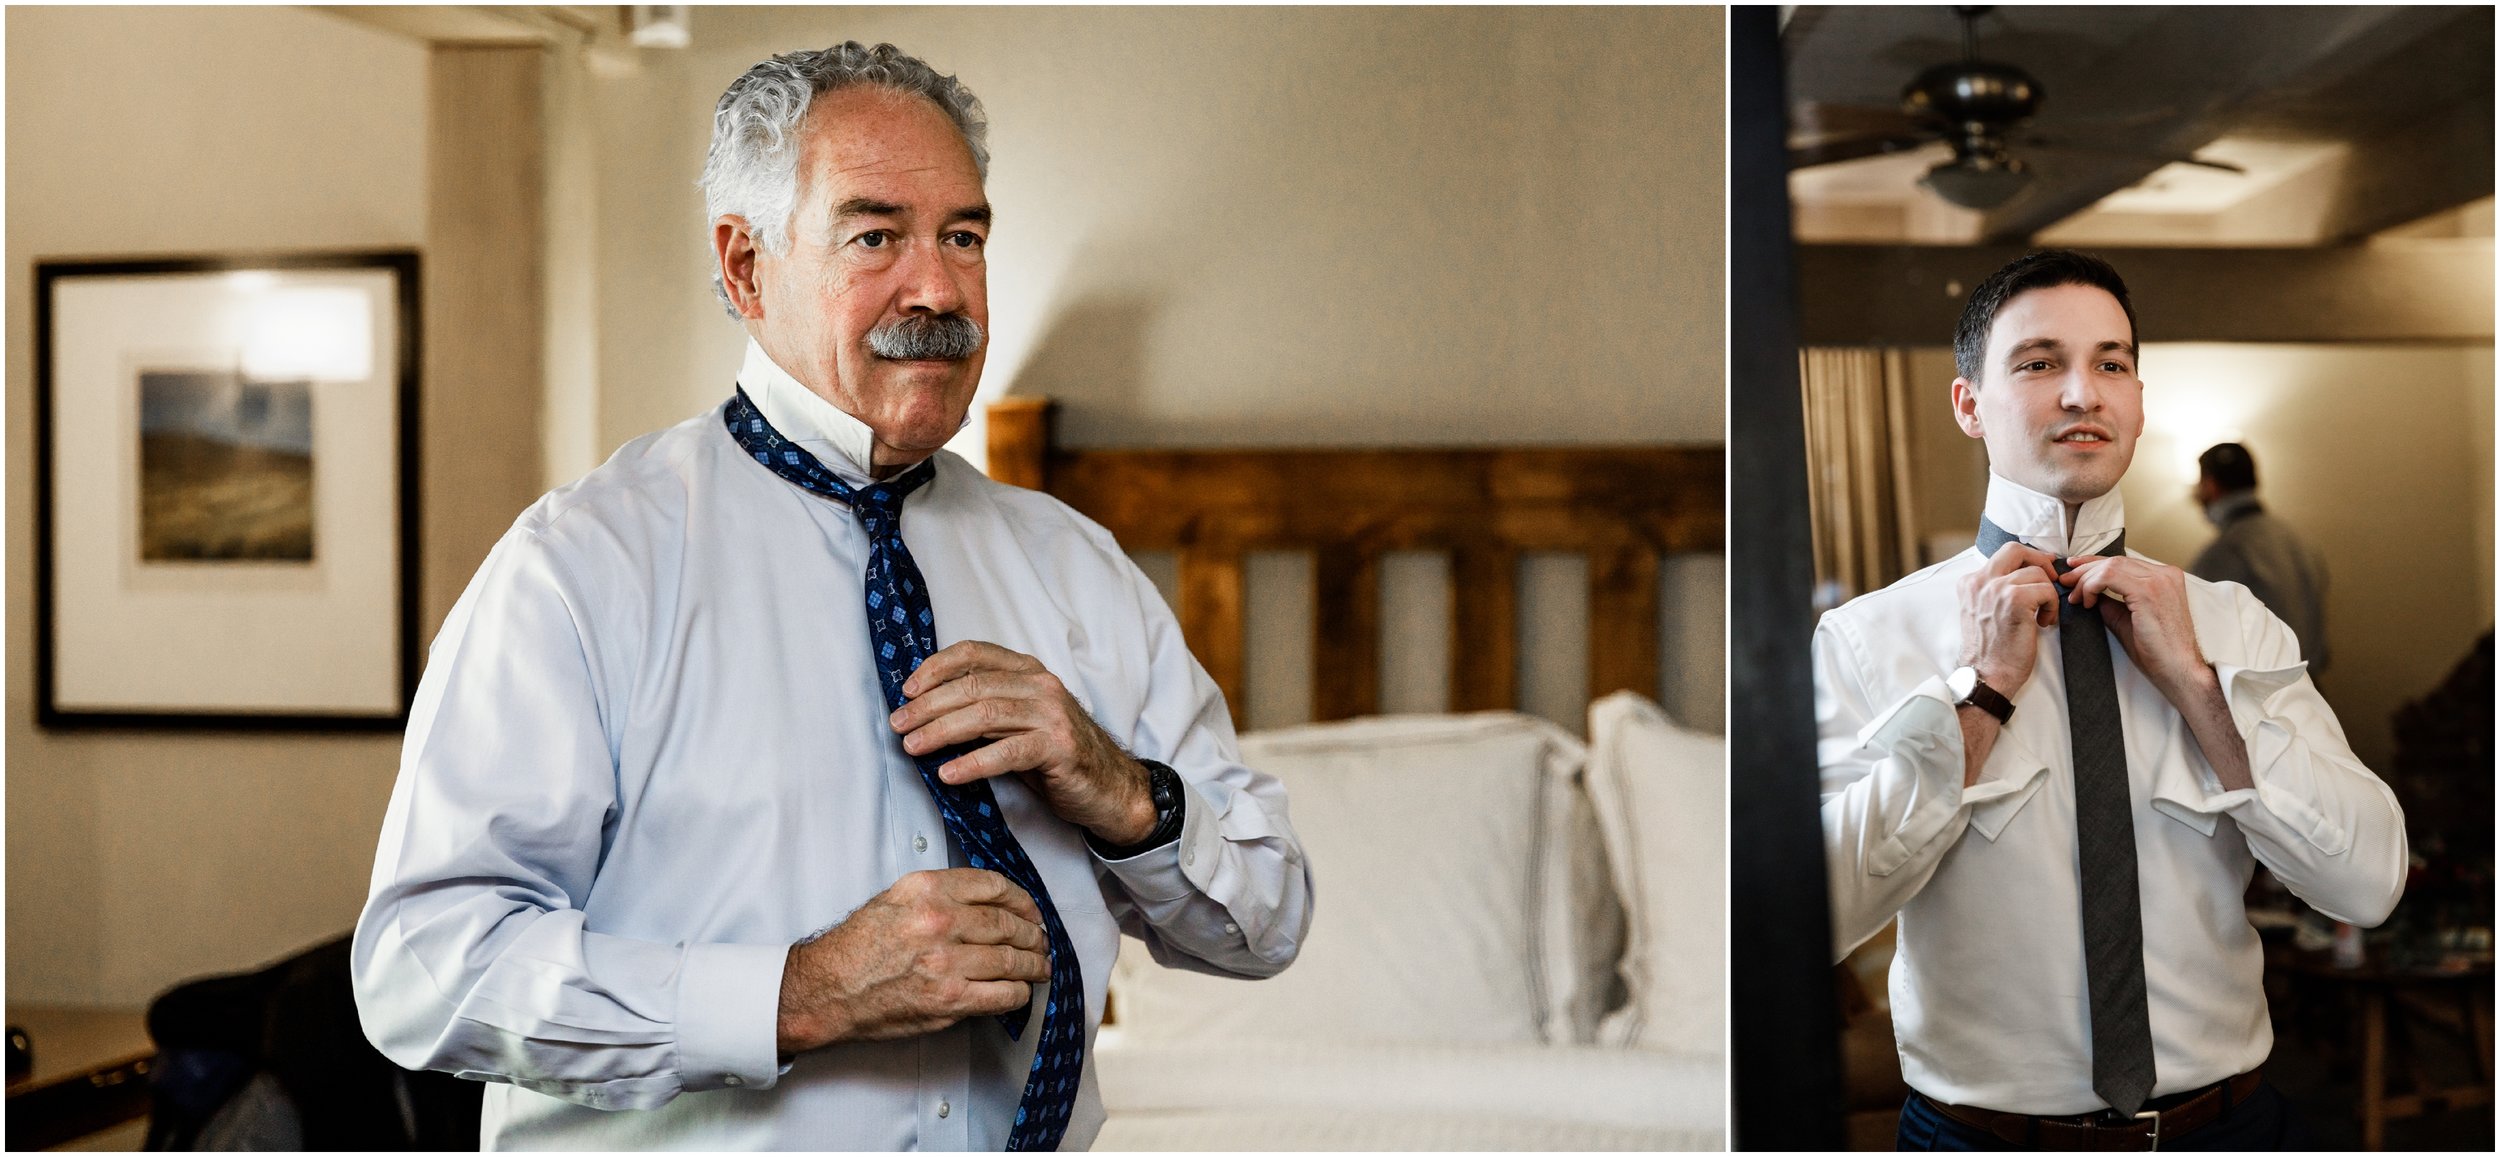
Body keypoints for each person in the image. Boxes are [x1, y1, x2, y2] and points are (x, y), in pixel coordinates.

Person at [351, 43, 1313, 1150]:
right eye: (875, 236)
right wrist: (800, 991)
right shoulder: (582, 568)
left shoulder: (1076, 569)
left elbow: (1268, 921)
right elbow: (424, 969)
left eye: (964, 235)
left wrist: (1120, 787)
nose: (942, 290)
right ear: (747, 266)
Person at [1815, 249, 2405, 1151]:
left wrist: (2199, 690)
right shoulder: (1867, 638)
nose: (2083, 393)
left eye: (2112, 363)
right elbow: (1801, 921)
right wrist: (1978, 698)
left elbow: (2368, 884)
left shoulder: (2232, 625)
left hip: (2229, 1128)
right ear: (1969, 404)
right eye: (2040, 362)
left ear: (2137, 400)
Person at [2190, 443, 2332, 677]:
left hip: (2257, 700)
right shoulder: (2298, 541)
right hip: (2311, 695)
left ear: (2210, 486)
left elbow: (2199, 638)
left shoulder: (2223, 553)